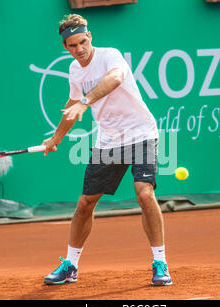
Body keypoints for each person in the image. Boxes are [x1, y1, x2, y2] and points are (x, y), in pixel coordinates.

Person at [42, 14, 172, 286]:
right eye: (73, 45)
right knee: (85, 203)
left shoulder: (110, 56)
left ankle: (160, 263)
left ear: (90, 37)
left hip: (140, 133)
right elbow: (71, 105)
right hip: (109, 141)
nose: (80, 49)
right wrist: (55, 138)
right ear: (65, 47)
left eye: (83, 41)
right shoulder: (75, 70)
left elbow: (114, 79)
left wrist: (85, 102)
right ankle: (70, 265)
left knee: (144, 194)